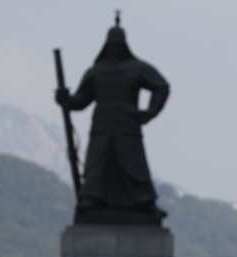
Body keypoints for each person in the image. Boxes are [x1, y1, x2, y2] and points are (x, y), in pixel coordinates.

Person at [56, 18, 169, 217]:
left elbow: (161, 86)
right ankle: (92, 197)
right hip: (102, 124)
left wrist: (149, 112)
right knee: (98, 163)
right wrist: (66, 100)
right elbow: (82, 100)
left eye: (118, 45)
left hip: (127, 124)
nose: (115, 49)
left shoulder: (136, 68)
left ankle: (143, 200)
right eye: (112, 45)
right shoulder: (97, 71)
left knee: (133, 163)